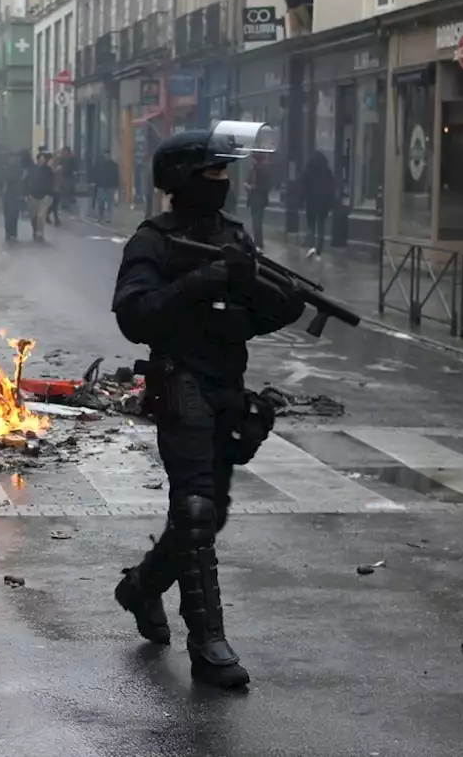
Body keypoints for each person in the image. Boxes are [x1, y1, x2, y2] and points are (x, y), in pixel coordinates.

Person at [111, 123, 306, 689]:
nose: (222, 183)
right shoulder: (154, 239)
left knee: (209, 515)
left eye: (226, 173)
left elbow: (279, 312)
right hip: (178, 381)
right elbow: (133, 315)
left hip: (227, 385)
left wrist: (250, 291)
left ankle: (141, 587)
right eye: (212, 174)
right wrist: (201, 283)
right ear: (181, 180)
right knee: (194, 510)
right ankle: (207, 642)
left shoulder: (234, 237)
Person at [299, 150, 334, 259]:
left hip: (311, 202)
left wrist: (300, 201)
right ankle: (319, 250)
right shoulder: (327, 171)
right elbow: (331, 189)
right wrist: (330, 203)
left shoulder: (308, 170)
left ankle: (311, 247)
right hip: (323, 203)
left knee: (311, 226)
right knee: (321, 227)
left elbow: (303, 187)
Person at [245, 152, 273, 250]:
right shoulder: (254, 169)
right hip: (254, 199)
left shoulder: (262, 170)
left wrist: (253, 188)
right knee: (256, 221)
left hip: (258, 199)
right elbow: (249, 181)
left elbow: (267, 185)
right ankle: (258, 242)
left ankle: (258, 243)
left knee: (257, 221)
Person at [27, 152, 55, 242]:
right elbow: (27, 181)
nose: (42, 162)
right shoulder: (32, 169)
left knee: (41, 216)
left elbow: (51, 183)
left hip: (44, 196)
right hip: (33, 195)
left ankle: (40, 233)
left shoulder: (48, 170)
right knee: (33, 216)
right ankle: (35, 230)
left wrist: (50, 194)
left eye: (43, 160)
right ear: (37, 160)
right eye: (41, 160)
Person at [92, 151, 120, 223]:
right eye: (106, 155)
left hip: (110, 186)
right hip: (101, 185)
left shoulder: (114, 165)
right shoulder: (100, 165)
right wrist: (95, 182)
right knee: (100, 203)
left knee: (109, 203)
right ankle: (101, 216)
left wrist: (117, 186)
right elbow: (96, 173)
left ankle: (108, 217)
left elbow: (116, 176)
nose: (107, 156)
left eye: (108, 155)